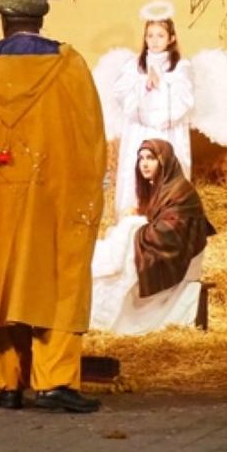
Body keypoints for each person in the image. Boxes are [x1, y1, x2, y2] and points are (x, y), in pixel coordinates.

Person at [0, 0, 106, 413]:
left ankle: (9, 382)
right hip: (53, 195)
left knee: (3, 279)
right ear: (41, 20)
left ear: (3, 21)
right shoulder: (68, 65)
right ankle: (55, 379)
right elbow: (90, 135)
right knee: (56, 277)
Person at [94, 0, 227, 220]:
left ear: (171, 39)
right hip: (140, 132)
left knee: (166, 175)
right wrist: (143, 86)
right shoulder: (133, 65)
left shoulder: (180, 66)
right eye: (150, 35)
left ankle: (170, 222)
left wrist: (161, 85)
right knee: (139, 173)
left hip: (168, 134)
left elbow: (184, 101)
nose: (154, 41)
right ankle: (134, 222)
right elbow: (121, 94)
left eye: (160, 35)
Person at [90, 138, 216, 334]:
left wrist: (134, 226)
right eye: (141, 158)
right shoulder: (160, 188)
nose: (144, 164)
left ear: (164, 160)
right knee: (103, 260)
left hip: (178, 256)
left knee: (116, 258)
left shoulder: (181, 192)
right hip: (159, 248)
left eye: (151, 158)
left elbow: (172, 233)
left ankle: (103, 318)